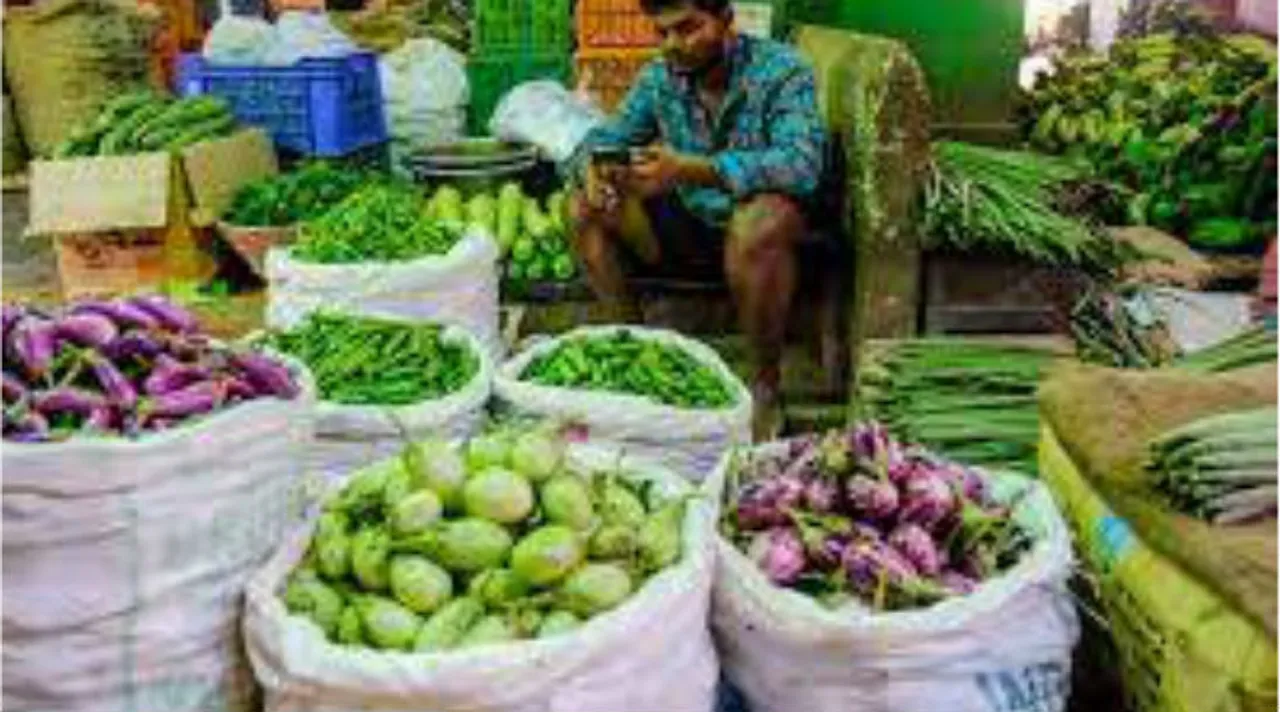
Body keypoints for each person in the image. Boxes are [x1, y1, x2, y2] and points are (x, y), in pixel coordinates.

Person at [567, 0, 826, 441]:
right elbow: (601, 139)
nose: (672, 45)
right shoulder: (660, 78)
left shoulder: (783, 72)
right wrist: (594, 168)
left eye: (687, 29)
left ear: (726, 21)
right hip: (689, 225)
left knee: (759, 219)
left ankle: (764, 386)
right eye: (662, 32)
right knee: (581, 207)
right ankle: (637, 354)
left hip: (767, 245)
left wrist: (693, 169)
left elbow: (801, 165)